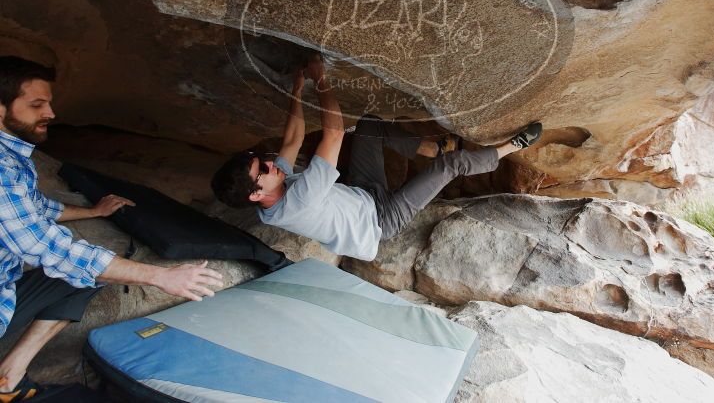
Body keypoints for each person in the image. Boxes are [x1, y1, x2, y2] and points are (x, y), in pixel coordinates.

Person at [0, 56, 224, 400]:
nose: (51, 113)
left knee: (91, 273)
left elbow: (36, 210)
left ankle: (9, 374)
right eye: (36, 105)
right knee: (84, 264)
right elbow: (47, 247)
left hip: (6, 284)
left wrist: (93, 210)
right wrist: (161, 277)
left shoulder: (11, 158)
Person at [212, 54, 542, 262]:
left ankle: (431, 147)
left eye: (263, 160)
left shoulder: (271, 191)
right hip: (381, 220)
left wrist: (297, 89)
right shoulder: (299, 200)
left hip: (361, 192)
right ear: (256, 193)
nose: (271, 163)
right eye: (264, 168)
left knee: (369, 125)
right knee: (451, 166)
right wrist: (321, 78)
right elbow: (335, 133)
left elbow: (293, 139)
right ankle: (508, 148)